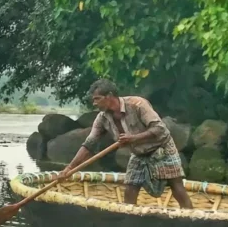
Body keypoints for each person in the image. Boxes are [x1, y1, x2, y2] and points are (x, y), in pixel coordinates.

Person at [60, 79, 194, 209]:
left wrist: (133, 138)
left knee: (176, 185)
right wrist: (69, 168)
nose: (94, 103)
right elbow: (89, 143)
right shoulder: (102, 118)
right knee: (130, 186)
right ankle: (128, 217)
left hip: (162, 148)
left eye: (97, 98)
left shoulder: (138, 104)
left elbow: (160, 129)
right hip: (138, 153)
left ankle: (190, 218)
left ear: (109, 96)